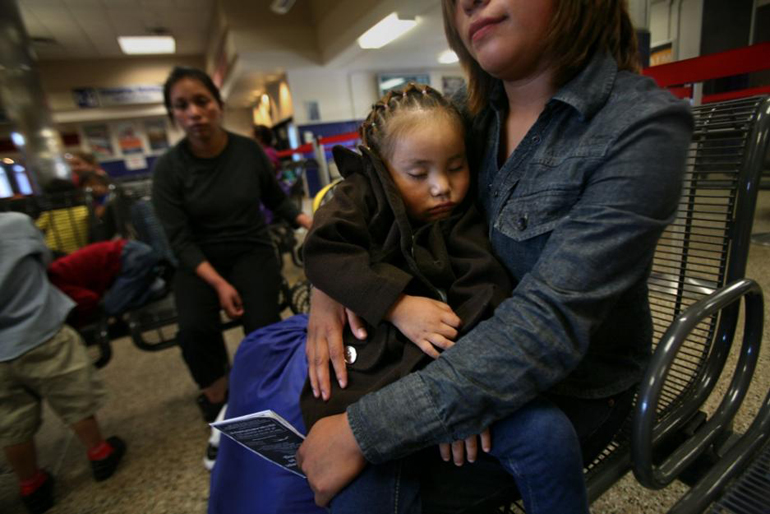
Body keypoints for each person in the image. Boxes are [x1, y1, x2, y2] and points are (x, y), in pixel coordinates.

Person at [296, 1, 694, 513]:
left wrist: (376, 426)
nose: (468, 1)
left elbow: (546, 325)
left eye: (453, 171)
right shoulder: (467, 115)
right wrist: (330, 288)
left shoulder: (637, 125)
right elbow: (357, 195)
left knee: (363, 488)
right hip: (439, 358)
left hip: (566, 384)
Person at [152, 66, 312, 422]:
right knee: (194, 329)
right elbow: (179, 239)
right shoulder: (168, 169)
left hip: (251, 249)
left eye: (201, 101)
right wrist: (219, 285)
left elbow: (277, 201)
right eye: (181, 105)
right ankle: (218, 397)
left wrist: (309, 223)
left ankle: (265, 393)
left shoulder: (248, 152)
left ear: (218, 105)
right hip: (198, 259)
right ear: (173, 115)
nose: (194, 112)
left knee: (263, 324)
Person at [0, 212, 126, 514]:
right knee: (73, 398)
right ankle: (99, 453)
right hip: (42, 330)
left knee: (12, 422)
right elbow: (46, 263)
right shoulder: (15, 224)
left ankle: (30, 484)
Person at [47, 238, 166, 328]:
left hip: (132, 257)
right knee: (113, 303)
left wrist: (78, 323)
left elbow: (89, 300)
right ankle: (150, 278)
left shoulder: (54, 282)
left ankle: (156, 285)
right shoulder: (54, 274)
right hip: (132, 253)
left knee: (112, 307)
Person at [34, 179, 91, 255]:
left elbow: (36, 228)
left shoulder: (49, 214)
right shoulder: (84, 210)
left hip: (54, 251)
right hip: (79, 251)